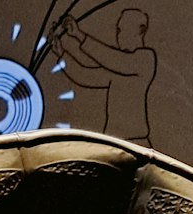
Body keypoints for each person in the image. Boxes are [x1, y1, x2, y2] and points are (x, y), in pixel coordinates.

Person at [52, 8, 157, 143]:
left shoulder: (144, 58)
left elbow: (111, 59)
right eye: (119, 30)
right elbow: (85, 76)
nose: (119, 35)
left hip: (136, 144)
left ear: (140, 31)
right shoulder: (119, 67)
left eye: (123, 29)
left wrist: (79, 35)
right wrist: (61, 54)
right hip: (114, 143)